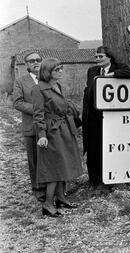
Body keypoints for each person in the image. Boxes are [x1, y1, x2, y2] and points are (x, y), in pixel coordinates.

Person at [82, 46, 130, 193]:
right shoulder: (92, 71)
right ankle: (94, 180)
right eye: (96, 57)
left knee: (107, 148)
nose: (97, 59)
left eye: (101, 56)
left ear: (109, 57)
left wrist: (111, 75)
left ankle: (109, 180)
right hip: (94, 116)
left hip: (111, 118)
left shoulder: (118, 68)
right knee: (93, 148)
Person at [32, 58, 83, 217]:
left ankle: (61, 198)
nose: (61, 71)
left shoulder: (57, 85)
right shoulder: (38, 88)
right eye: (57, 69)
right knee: (53, 168)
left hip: (63, 129)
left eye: (61, 68)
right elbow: (38, 114)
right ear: (48, 71)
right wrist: (42, 135)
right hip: (51, 132)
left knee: (63, 164)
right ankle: (47, 203)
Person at [13, 52, 46, 202]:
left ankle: (53, 187)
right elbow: (18, 102)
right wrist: (38, 109)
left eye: (38, 60)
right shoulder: (21, 81)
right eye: (31, 61)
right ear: (26, 65)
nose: (36, 62)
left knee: (49, 157)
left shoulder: (48, 78)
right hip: (31, 126)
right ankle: (38, 189)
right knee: (34, 159)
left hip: (50, 126)